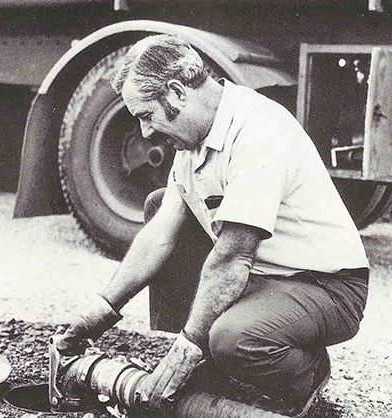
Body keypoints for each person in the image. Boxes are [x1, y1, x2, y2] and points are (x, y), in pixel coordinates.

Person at [54, 35, 369, 417]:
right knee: (159, 207)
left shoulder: (258, 131)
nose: (146, 133)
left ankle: (303, 375)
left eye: (146, 115)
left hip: (325, 286)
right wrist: (97, 314)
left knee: (233, 339)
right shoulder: (193, 139)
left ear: (176, 92)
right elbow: (159, 237)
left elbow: (232, 259)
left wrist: (183, 355)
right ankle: (212, 364)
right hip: (266, 274)